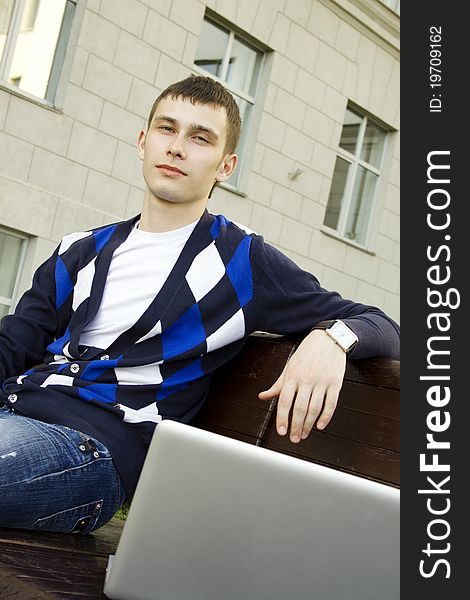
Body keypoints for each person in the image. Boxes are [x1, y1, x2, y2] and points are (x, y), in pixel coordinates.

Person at [0, 75, 399, 534]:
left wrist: (332, 339)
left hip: (90, 449)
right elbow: (15, 342)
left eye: (200, 138)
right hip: (15, 414)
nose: (176, 148)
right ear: (143, 141)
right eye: (167, 130)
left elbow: (381, 324)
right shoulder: (80, 249)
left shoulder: (241, 261)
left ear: (225, 165)